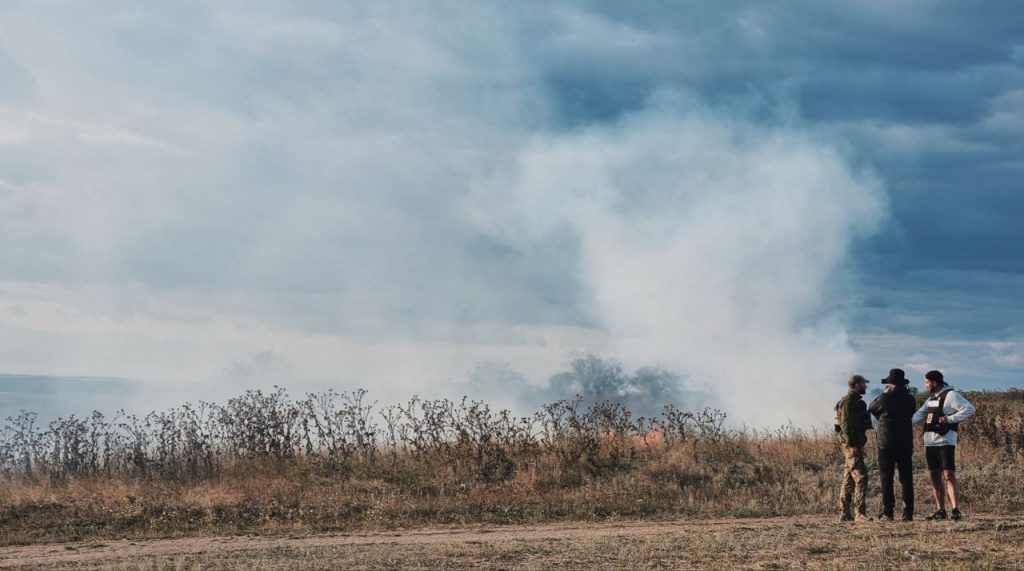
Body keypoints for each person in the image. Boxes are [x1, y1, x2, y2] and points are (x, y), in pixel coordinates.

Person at [911, 370, 976, 521]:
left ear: (934, 382)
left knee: (948, 474)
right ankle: (940, 510)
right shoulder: (931, 399)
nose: (925, 385)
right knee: (934, 475)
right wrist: (896, 422)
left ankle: (955, 510)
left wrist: (949, 419)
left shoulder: (951, 395)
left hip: (945, 442)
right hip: (930, 442)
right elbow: (918, 416)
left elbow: (970, 409)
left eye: (927, 382)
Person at [869, 368, 917, 521]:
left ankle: (888, 511)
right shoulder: (910, 399)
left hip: (886, 441)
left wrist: (884, 395)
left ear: (890, 383)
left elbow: (872, 407)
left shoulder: (884, 397)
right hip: (905, 440)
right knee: (906, 477)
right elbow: (910, 413)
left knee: (886, 477)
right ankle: (908, 512)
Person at [836, 374, 873, 522]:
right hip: (851, 445)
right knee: (861, 477)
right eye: (863, 383)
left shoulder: (855, 401)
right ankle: (860, 513)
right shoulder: (849, 402)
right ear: (856, 384)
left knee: (849, 479)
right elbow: (845, 425)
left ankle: (845, 514)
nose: (865, 386)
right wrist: (852, 445)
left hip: (854, 444)